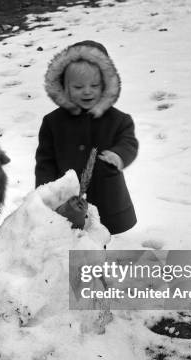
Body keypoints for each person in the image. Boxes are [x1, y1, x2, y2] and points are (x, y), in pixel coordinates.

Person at [35, 40, 138, 234]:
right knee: (71, 234)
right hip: (67, 199)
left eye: (94, 85)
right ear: (64, 87)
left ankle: (97, 262)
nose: (87, 91)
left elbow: (128, 142)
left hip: (106, 195)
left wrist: (119, 155)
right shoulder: (53, 122)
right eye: (78, 86)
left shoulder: (117, 120)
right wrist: (45, 192)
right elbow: (45, 161)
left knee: (100, 235)